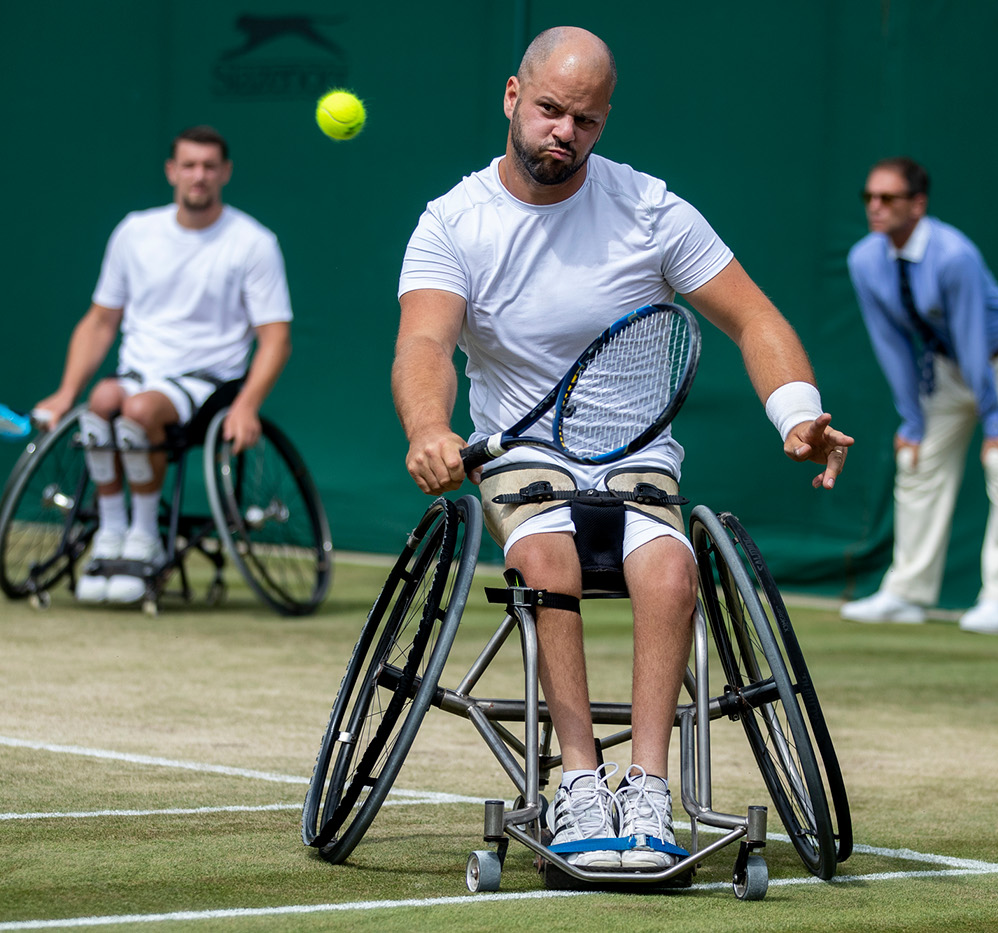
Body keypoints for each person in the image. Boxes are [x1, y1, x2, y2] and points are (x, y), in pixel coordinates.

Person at [393, 26, 852, 872]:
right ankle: (578, 780)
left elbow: (755, 317)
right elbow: (424, 343)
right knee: (546, 558)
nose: (563, 132)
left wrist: (798, 410)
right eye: (549, 110)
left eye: (586, 120)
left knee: (673, 570)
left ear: (604, 125)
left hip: (636, 455)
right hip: (523, 455)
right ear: (511, 97)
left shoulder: (650, 209)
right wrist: (429, 428)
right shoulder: (453, 222)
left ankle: (647, 786)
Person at [34, 125, 293, 605]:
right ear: (172, 171)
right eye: (189, 165)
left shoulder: (253, 242)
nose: (199, 176)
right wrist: (65, 393)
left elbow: (275, 337)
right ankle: (111, 534)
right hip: (138, 372)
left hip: (207, 382)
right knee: (101, 402)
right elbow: (99, 322)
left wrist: (248, 406)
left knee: (138, 411)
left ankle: (145, 538)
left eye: (209, 167)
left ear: (225, 173)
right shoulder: (135, 231)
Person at [840, 157, 998, 636]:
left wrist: (996, 420)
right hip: (950, 368)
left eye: (888, 198)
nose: (875, 207)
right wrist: (911, 420)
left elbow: (973, 336)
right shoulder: (863, 260)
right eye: (869, 197)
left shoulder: (954, 255)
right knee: (916, 460)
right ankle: (907, 593)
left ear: (918, 204)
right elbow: (890, 342)